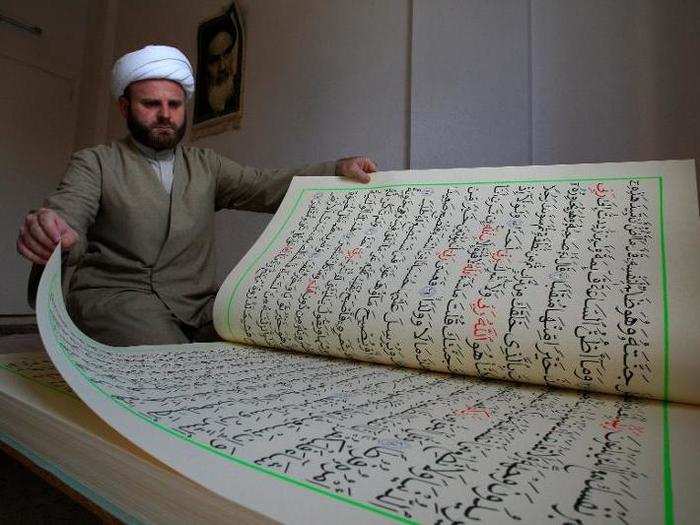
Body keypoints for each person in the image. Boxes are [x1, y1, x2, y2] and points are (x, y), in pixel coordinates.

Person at [17, 45, 377, 346]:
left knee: (268, 336)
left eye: (174, 105)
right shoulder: (96, 162)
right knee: (171, 363)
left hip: (198, 303)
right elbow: (69, 211)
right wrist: (55, 230)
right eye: (150, 104)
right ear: (125, 108)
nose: (165, 116)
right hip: (118, 300)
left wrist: (335, 170)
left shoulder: (206, 165)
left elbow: (267, 186)